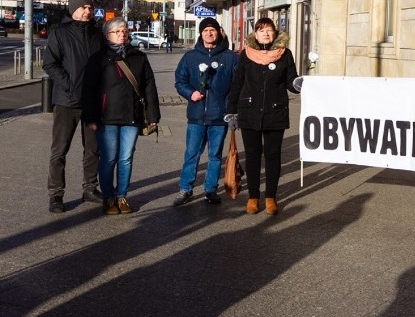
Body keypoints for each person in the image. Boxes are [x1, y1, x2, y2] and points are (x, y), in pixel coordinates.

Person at [82, 17, 161, 215]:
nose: (121, 34)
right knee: (109, 158)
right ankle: (108, 198)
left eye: (124, 31)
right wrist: (90, 117)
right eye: (117, 31)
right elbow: (88, 89)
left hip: (131, 116)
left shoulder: (139, 57)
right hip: (105, 117)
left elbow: (149, 87)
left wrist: (153, 115)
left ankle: (122, 196)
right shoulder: (98, 58)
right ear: (107, 35)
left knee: (126, 158)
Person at [226, 18, 301, 215]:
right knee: (252, 157)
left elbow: (290, 80)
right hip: (249, 112)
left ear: (275, 33)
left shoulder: (285, 54)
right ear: (255, 34)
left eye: (269, 30)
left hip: (275, 113)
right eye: (261, 30)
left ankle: (270, 197)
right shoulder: (246, 55)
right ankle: (252, 197)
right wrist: (231, 111)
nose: (266, 34)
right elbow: (237, 83)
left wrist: (298, 84)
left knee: (273, 157)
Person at [43, 0, 104, 213]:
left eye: (90, 7)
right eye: (83, 7)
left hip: (92, 103)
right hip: (67, 102)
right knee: (59, 150)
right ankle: (56, 194)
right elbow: (50, 64)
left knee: (93, 149)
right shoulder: (59, 34)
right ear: (73, 10)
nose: (88, 11)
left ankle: (90, 188)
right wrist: (69, 85)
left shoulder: (97, 35)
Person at [173, 17, 238, 206]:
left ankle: (210, 189)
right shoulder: (190, 57)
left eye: (213, 30)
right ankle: (186, 189)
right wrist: (189, 93)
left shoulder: (230, 57)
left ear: (219, 32)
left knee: (215, 155)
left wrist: (229, 108)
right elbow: (180, 81)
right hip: (196, 115)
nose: (209, 33)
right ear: (200, 34)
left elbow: (237, 85)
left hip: (219, 116)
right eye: (205, 31)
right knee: (191, 154)